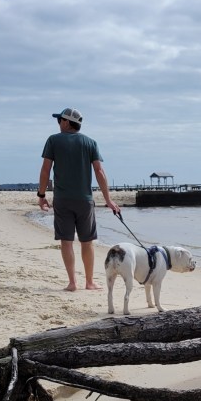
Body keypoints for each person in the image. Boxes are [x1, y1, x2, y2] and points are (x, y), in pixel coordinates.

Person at [37, 107, 120, 291]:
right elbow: (99, 171)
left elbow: (45, 170)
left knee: (66, 241)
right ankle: (89, 282)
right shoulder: (90, 143)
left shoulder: (53, 140)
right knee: (87, 241)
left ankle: (73, 283)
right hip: (85, 200)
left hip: (62, 199)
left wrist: (42, 195)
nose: (58, 124)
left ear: (66, 122)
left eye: (60, 120)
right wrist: (108, 199)